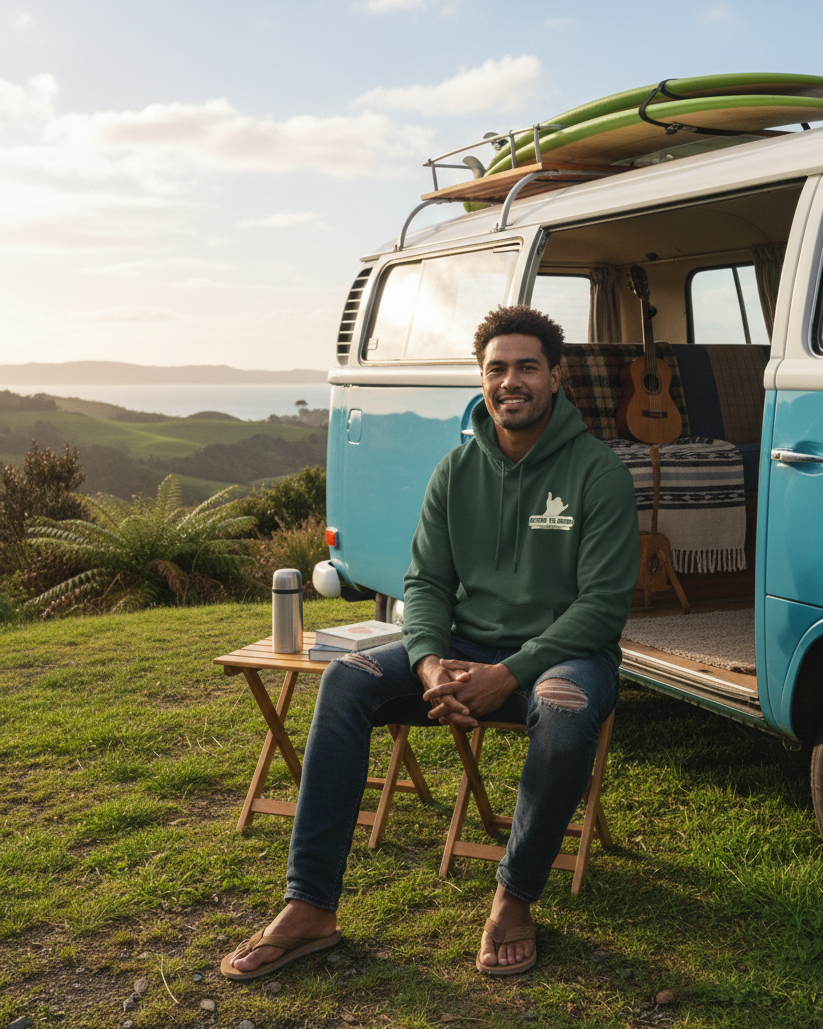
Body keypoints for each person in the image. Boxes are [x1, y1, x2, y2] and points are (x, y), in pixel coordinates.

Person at [221, 304, 640, 981]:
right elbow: (425, 585)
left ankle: (513, 897)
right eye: (496, 368)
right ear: (481, 380)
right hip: (462, 646)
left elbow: (600, 608)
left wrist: (508, 672)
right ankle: (309, 906)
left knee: (562, 711)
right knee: (347, 678)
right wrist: (426, 661)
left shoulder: (598, 474)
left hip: (562, 655)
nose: (510, 380)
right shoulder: (454, 470)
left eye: (526, 367)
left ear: (555, 378)